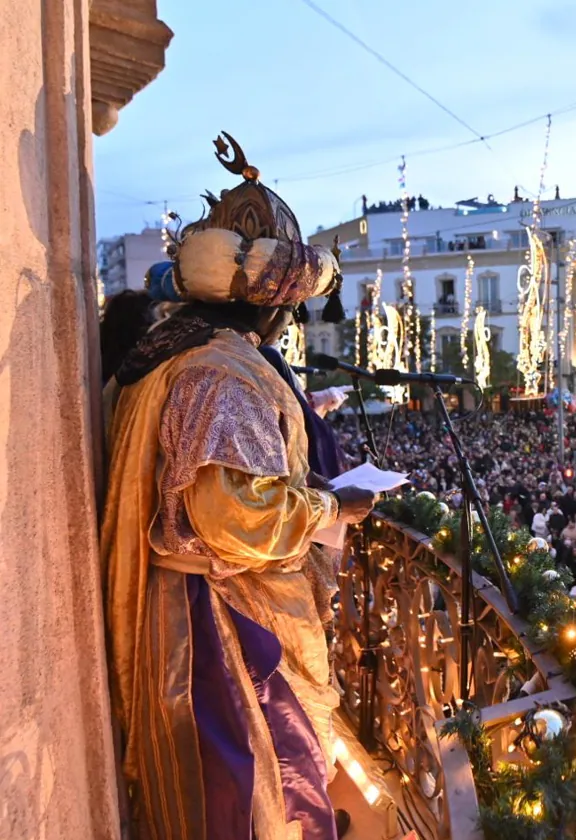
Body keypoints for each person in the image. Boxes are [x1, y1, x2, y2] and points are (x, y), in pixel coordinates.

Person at [102, 140, 378, 840]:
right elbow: (233, 515)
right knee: (259, 797)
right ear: (275, 309)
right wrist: (332, 507)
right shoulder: (222, 372)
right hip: (220, 628)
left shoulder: (172, 355)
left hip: (189, 609)